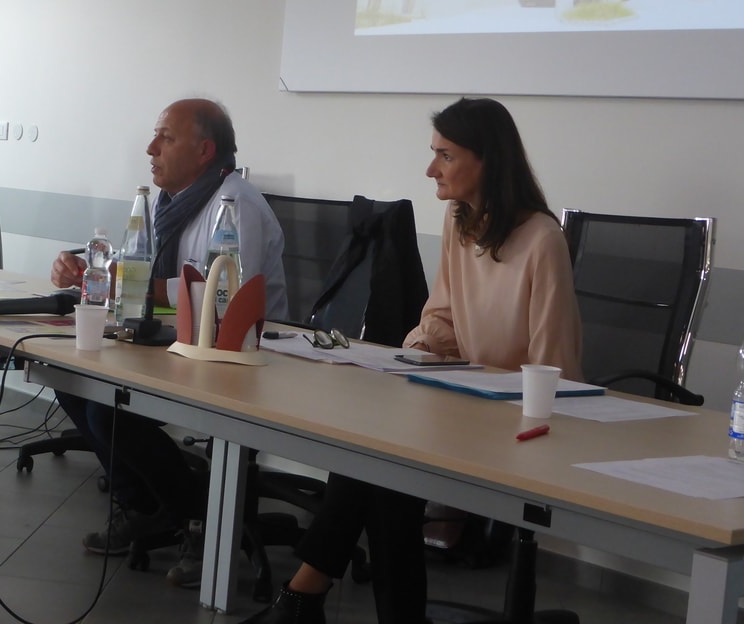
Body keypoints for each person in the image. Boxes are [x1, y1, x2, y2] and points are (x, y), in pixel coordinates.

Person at [245, 97, 582, 624]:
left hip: (515, 420)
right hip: (462, 402)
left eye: (445, 156)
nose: (431, 169)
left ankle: (304, 595)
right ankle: (322, 600)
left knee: (382, 461)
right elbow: (442, 316)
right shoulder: (460, 219)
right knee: (378, 453)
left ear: (487, 161)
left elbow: (555, 368)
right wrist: (415, 355)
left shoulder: (542, 240)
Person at [49, 98, 288, 584]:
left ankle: (199, 520)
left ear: (204, 151)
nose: (150, 148)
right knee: (70, 377)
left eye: (166, 137)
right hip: (175, 342)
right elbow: (135, 268)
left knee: (108, 411)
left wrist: (131, 284)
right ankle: (147, 506)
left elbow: (227, 293)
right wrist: (86, 269)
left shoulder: (234, 204)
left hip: (241, 356)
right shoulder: (166, 203)